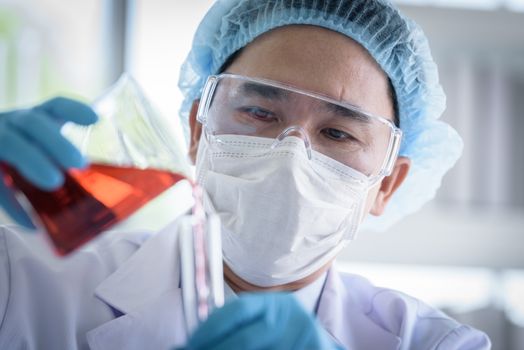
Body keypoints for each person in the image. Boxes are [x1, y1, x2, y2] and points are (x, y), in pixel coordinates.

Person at [0, 0, 491, 349]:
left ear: (387, 184)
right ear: (197, 130)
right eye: (259, 111)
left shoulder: (435, 343)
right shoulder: (23, 284)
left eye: (338, 134)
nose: (290, 155)